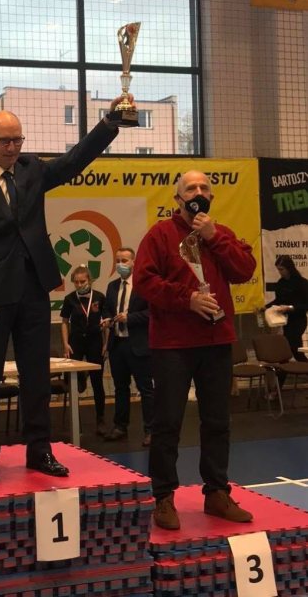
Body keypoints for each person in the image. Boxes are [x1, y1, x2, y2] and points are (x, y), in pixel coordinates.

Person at [0, 98, 130, 485]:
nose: (12, 147)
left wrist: (108, 125)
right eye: (5, 141)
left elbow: (73, 162)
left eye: (18, 140)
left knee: (37, 376)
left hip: (33, 288)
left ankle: (39, 450)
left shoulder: (31, 170)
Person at [134, 170, 256, 530]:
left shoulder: (221, 233)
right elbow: (144, 281)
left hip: (216, 342)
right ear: (178, 199)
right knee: (167, 423)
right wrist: (186, 299)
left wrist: (214, 237)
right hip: (172, 345)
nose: (198, 192)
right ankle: (163, 498)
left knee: (217, 422)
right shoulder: (159, 235)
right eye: (191, 188)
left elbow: (244, 270)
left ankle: (217, 492)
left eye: (204, 187)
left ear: (211, 197)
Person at [101, 247, 154, 446]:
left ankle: (151, 430)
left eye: (124, 260)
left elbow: (152, 313)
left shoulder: (143, 285)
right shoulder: (112, 286)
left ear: (134, 262)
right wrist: (107, 319)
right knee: (120, 388)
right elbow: (107, 309)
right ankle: (120, 427)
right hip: (117, 344)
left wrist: (129, 318)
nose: (120, 264)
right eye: (117, 261)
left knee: (146, 389)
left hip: (138, 344)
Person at [60, 265, 107, 436]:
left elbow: (106, 322)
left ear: (90, 280)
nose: (80, 285)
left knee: (97, 381)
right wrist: (65, 344)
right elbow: (64, 322)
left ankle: (100, 420)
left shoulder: (99, 297)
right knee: (73, 382)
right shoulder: (69, 299)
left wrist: (106, 343)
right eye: (76, 282)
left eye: (82, 281)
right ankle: (75, 422)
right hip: (76, 342)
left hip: (95, 341)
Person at [265, 254, 308, 373]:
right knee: (293, 351)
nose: (280, 272)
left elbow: (305, 305)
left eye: (282, 269)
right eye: (278, 269)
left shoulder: (302, 283)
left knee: (289, 350)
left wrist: (290, 308)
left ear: (289, 268)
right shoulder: (281, 283)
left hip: (298, 321)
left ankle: (281, 378)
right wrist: (265, 307)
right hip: (286, 321)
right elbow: (278, 301)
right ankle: (282, 378)